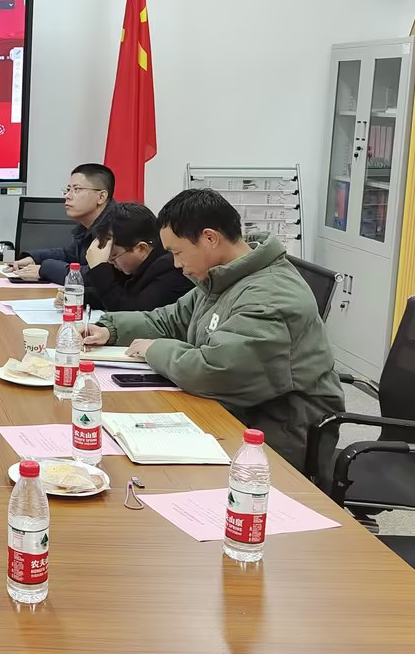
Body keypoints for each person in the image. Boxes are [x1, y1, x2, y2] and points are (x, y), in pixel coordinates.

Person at [80, 188, 344, 472]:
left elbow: (216, 372)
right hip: (233, 413)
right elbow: (171, 319)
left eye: (178, 252)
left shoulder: (269, 297)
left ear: (210, 238)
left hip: (276, 437)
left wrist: (155, 349)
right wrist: (111, 330)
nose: (176, 264)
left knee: (142, 468)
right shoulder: (224, 277)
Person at [7, 163, 119, 284]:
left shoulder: (117, 228)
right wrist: (34, 258)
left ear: (101, 197)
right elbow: (69, 255)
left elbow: (94, 278)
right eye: (68, 190)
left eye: (76, 189)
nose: (67, 196)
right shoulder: (87, 227)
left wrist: (45, 269)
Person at [77, 201, 193, 313]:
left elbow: (131, 312)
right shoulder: (138, 263)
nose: (110, 262)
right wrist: (77, 296)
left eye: (113, 256)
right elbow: (116, 293)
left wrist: (99, 268)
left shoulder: (171, 270)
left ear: (142, 248)